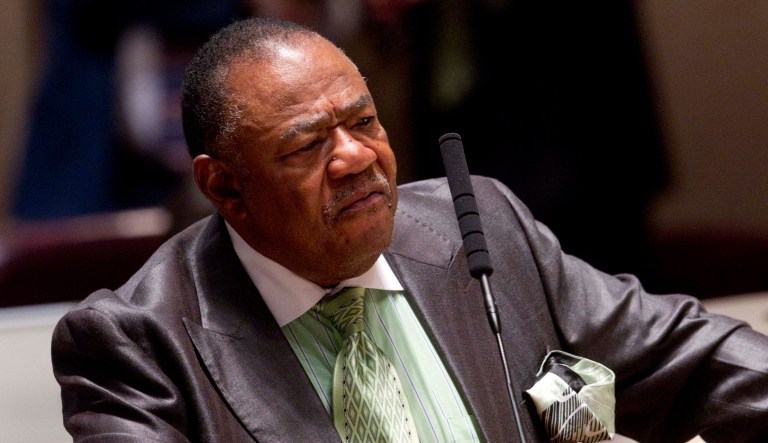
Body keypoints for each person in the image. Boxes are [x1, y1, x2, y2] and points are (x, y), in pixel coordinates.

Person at [51, 17, 768, 443]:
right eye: (308, 146)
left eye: (364, 121)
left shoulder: (479, 228)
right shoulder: (138, 343)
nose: (357, 157)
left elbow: (696, 357)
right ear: (226, 187)